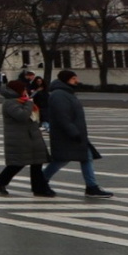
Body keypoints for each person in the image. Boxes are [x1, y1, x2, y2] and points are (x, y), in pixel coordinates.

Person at [40, 70, 113, 198]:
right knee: (61, 160)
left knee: (85, 157)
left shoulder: (67, 93)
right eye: (74, 79)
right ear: (66, 80)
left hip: (74, 133)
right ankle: (41, 180)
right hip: (67, 134)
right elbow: (62, 116)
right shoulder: (59, 95)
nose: (77, 81)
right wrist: (73, 131)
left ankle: (91, 186)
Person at [0, 79, 55, 197]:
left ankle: (39, 188)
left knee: (37, 163)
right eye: (23, 89)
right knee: (18, 163)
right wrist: (29, 103)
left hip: (31, 136)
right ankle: (0, 181)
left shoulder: (21, 101)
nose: (26, 91)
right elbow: (22, 116)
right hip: (19, 138)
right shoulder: (10, 102)